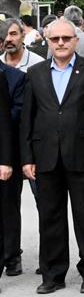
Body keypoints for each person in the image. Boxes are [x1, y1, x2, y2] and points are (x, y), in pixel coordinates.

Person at [21, 18, 84, 294]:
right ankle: (52, 274)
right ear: (47, 42)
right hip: (45, 155)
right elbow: (28, 119)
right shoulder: (35, 74)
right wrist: (27, 157)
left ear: (75, 41)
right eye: (55, 39)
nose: (60, 43)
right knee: (50, 217)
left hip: (83, 156)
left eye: (65, 38)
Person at [0, 56, 24, 281]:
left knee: (7, 207)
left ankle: (11, 255)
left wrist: (6, 160)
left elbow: (7, 121)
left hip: (6, 155)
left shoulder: (12, 77)